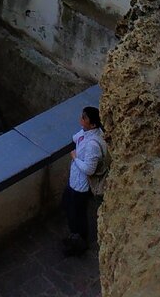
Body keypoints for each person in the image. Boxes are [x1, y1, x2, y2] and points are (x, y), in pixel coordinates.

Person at [63, 106, 105, 256]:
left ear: (93, 124)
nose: (81, 118)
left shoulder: (93, 144)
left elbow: (89, 169)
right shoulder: (88, 133)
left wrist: (75, 157)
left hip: (81, 185)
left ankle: (79, 242)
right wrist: (83, 129)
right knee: (69, 206)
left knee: (77, 214)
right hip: (75, 180)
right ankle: (76, 238)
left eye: (84, 118)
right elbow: (75, 138)